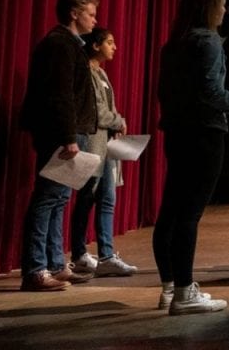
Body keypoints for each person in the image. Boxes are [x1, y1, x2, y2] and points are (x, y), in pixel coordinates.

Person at [154, 0, 229, 315]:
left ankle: (170, 288)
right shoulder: (209, 42)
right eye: (223, 4)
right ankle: (185, 293)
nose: (226, 10)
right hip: (204, 134)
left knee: (171, 211)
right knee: (190, 214)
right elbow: (211, 93)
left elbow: (167, 94)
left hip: (178, 132)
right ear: (209, 7)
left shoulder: (174, 45)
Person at [18, 0, 100, 291]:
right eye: (90, 13)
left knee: (60, 198)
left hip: (69, 131)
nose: (95, 19)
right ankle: (35, 269)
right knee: (48, 197)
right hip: (60, 132)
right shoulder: (59, 44)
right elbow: (60, 94)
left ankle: (54, 263)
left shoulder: (69, 45)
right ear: (74, 14)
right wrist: (68, 136)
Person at [70, 28, 137, 277]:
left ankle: (107, 255)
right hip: (92, 143)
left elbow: (110, 108)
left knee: (108, 198)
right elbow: (97, 111)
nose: (115, 47)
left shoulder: (103, 73)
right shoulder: (86, 72)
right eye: (110, 42)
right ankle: (78, 253)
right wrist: (117, 121)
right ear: (96, 45)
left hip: (106, 145)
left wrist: (117, 120)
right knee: (87, 197)